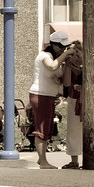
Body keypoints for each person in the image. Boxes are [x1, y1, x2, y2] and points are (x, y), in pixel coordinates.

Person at [29, 31, 78, 169]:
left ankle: (42, 159)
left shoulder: (57, 58)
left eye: (65, 47)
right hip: (40, 95)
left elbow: (60, 78)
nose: (63, 49)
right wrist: (66, 55)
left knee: (48, 129)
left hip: (48, 95)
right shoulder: (44, 56)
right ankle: (43, 161)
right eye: (61, 46)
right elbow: (52, 66)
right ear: (53, 45)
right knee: (42, 129)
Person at [60, 41, 83, 169]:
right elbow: (67, 83)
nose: (74, 55)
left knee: (87, 130)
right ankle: (74, 160)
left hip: (87, 100)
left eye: (76, 52)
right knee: (73, 130)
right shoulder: (67, 65)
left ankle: (90, 157)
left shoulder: (88, 63)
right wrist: (68, 66)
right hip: (74, 99)